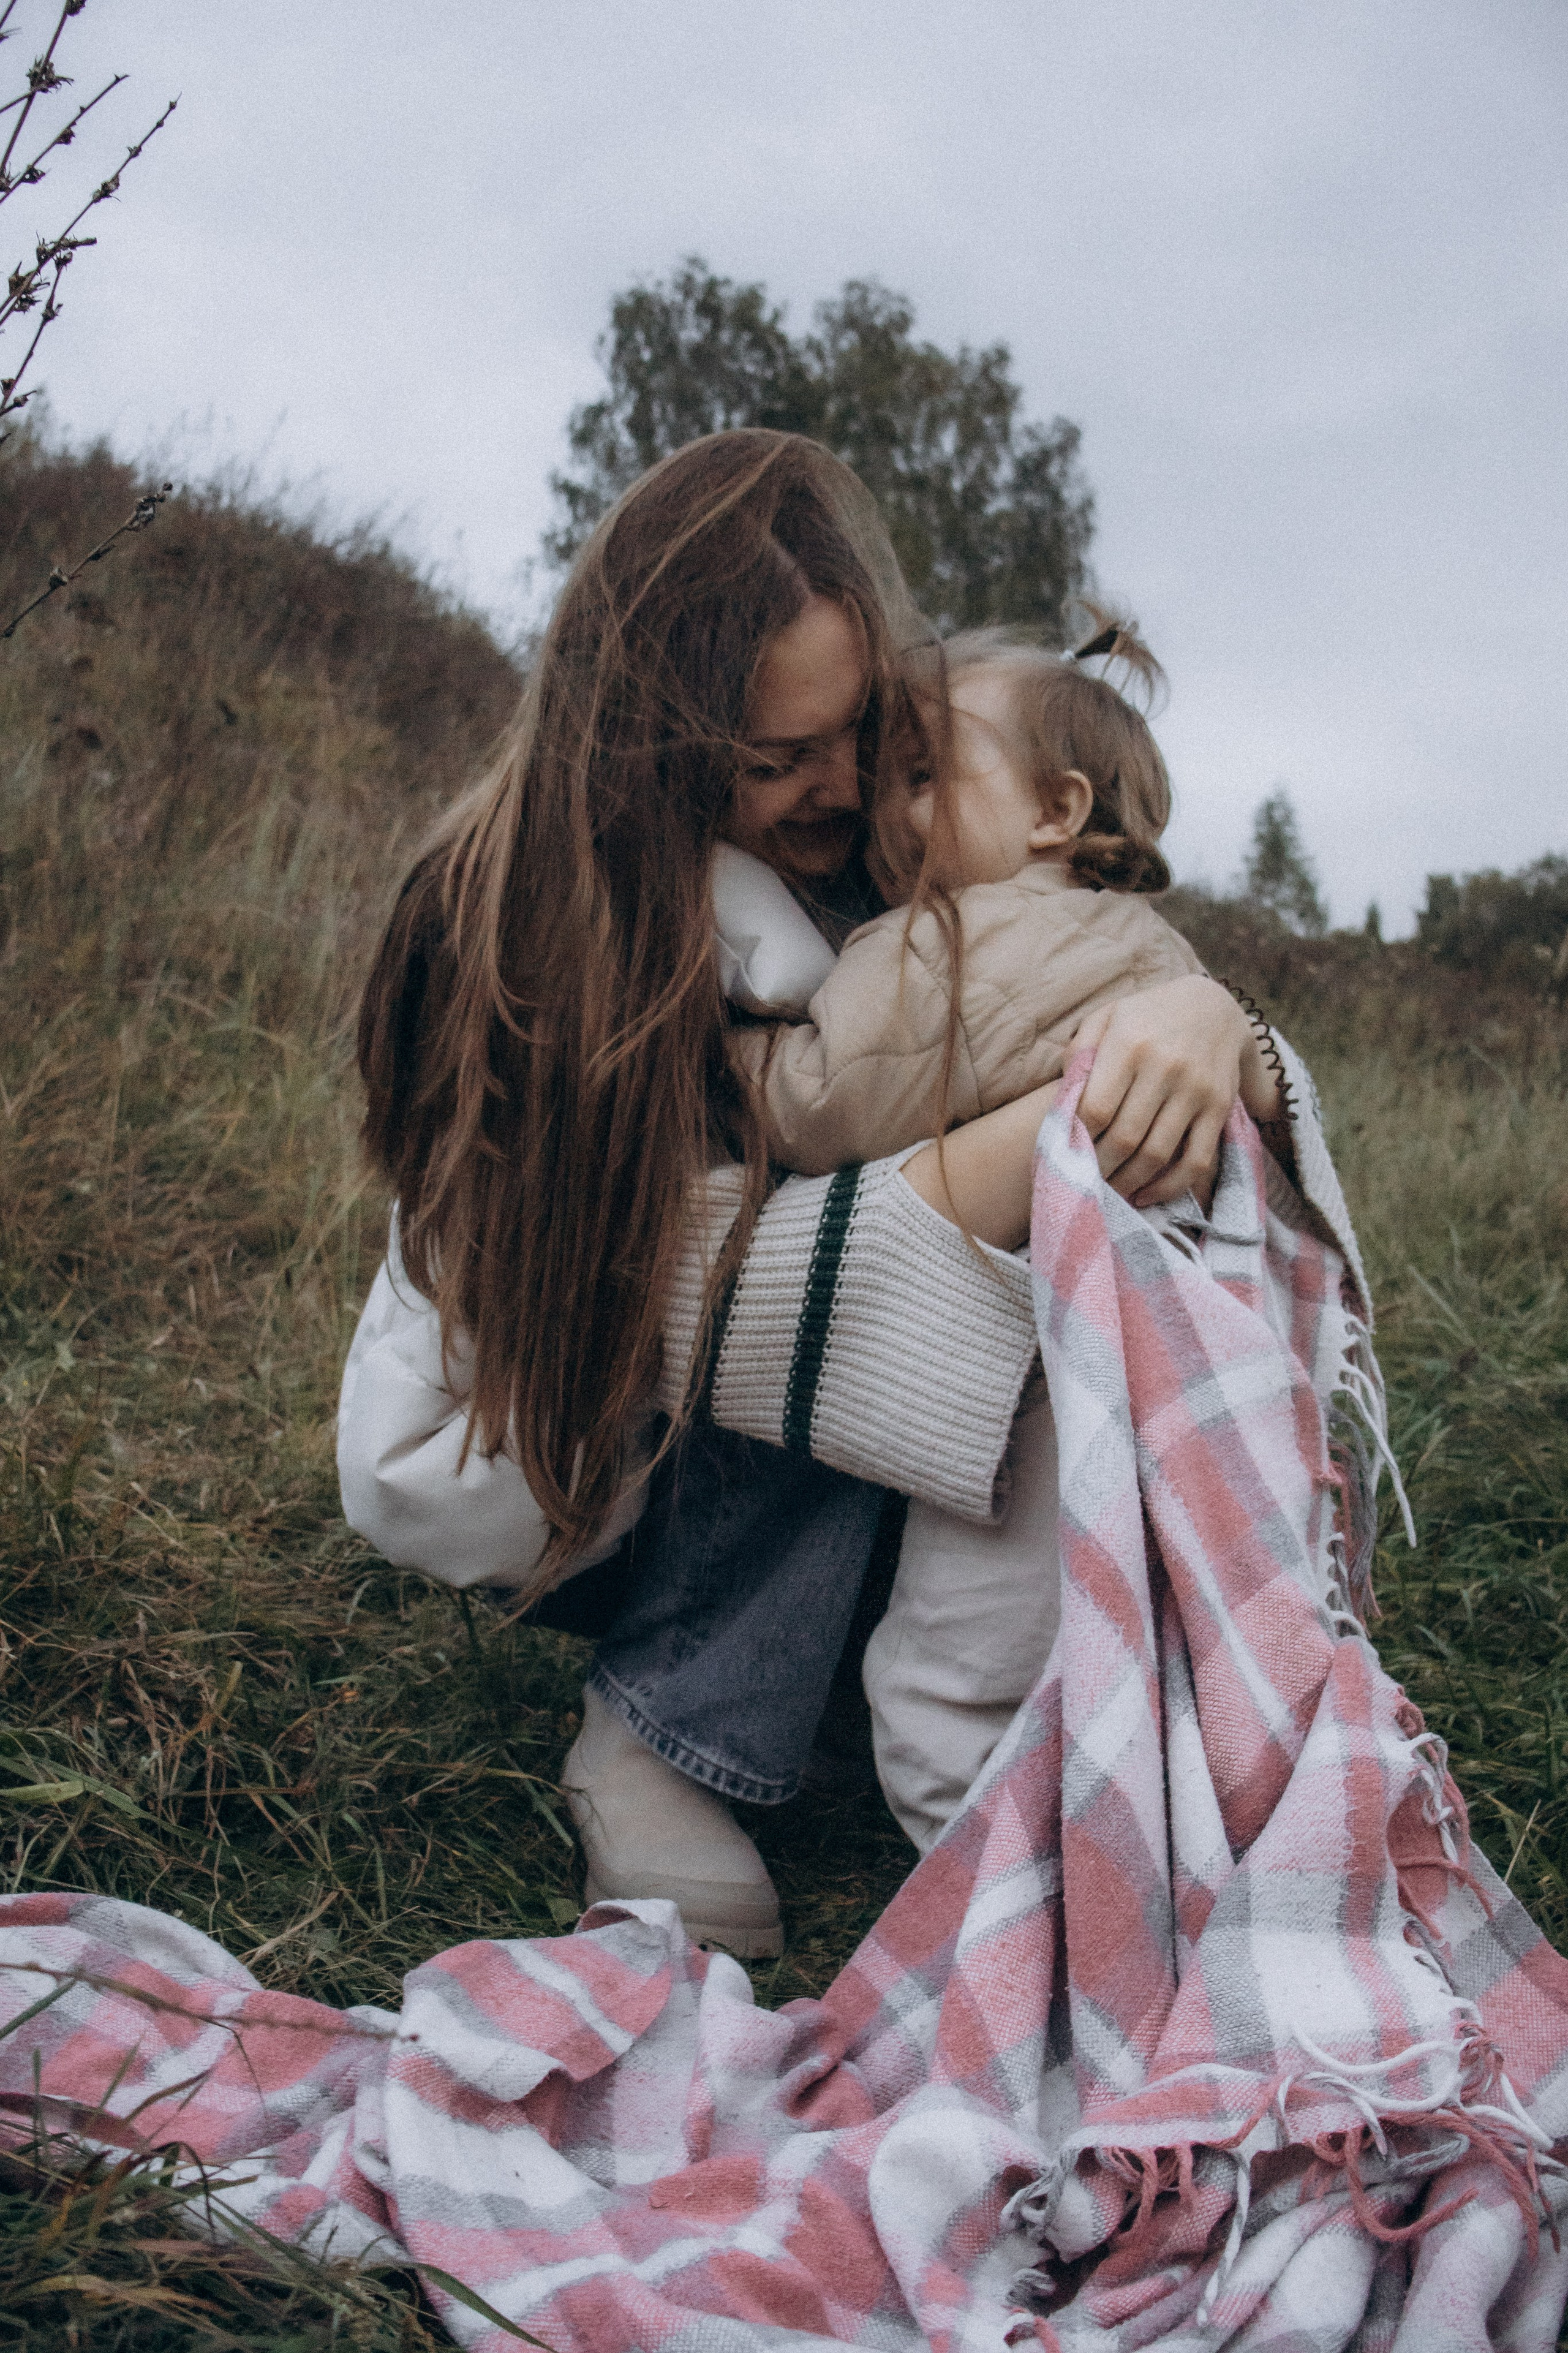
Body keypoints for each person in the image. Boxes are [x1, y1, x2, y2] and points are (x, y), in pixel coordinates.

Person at [338, 430, 1294, 1957]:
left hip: (785, 1334)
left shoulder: (865, 847)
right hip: (573, 1427)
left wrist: (1206, 1025)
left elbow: (1054, 970)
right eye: (776, 758)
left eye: (860, 733)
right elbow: (694, 1289)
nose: (844, 788)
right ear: (652, 744)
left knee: (1086, 1212)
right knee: (907, 1267)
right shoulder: (508, 927)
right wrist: (1032, 1143)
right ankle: (660, 1721)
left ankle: (979, 1667)